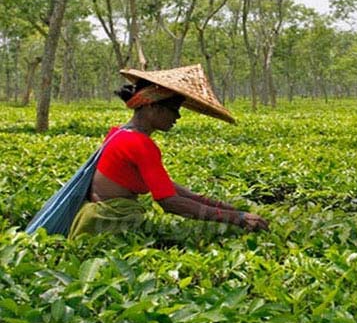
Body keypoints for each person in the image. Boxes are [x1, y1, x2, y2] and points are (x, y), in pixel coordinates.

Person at [68, 64, 268, 239]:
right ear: (152, 107)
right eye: (174, 109)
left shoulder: (120, 133)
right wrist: (236, 219)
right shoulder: (140, 144)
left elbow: (166, 186)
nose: (178, 116)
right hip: (108, 228)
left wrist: (227, 208)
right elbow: (169, 202)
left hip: (94, 222)